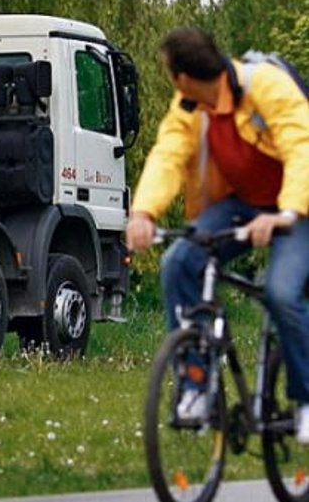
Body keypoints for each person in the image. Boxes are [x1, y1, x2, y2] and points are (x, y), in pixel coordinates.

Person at [126, 26, 309, 438]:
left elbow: (302, 146)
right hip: (241, 205)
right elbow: (168, 156)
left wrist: (287, 213)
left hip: (297, 208)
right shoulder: (190, 107)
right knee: (180, 262)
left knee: (281, 293)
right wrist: (143, 213)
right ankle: (197, 386)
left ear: (183, 77)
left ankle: (307, 399)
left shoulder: (266, 86)